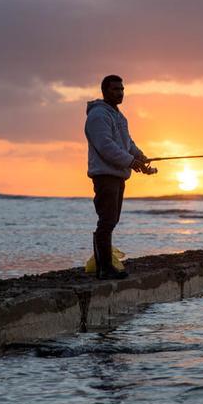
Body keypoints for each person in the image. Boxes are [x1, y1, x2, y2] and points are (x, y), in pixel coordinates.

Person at [85, 74, 155, 279]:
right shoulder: (98, 115)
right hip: (105, 175)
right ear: (105, 91)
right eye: (115, 89)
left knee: (112, 220)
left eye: (122, 89)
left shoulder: (118, 116)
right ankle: (104, 268)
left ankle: (105, 266)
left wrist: (139, 156)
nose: (120, 93)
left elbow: (128, 143)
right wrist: (130, 162)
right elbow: (106, 146)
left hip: (118, 175)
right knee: (106, 221)